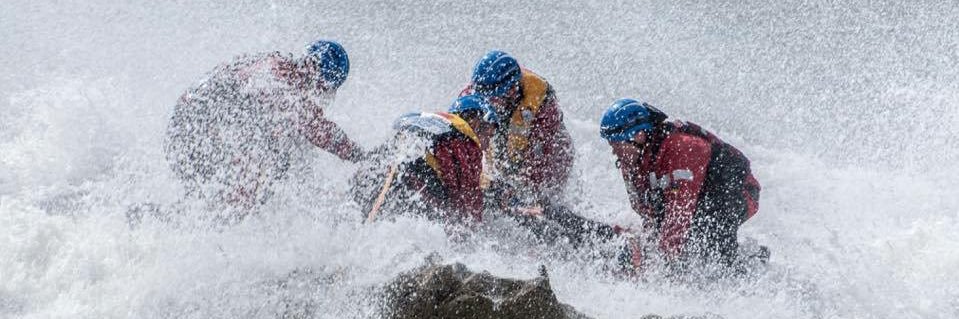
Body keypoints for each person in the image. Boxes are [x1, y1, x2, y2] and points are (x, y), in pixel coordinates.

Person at [165, 40, 364, 211]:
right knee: (254, 184)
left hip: (183, 133)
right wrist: (360, 156)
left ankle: (196, 219)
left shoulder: (271, 64)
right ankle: (222, 224)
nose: (321, 93)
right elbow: (316, 128)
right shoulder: (278, 76)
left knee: (279, 158)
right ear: (314, 73)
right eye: (324, 87)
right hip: (191, 137)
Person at [599, 98, 763, 274]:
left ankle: (735, 271)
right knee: (671, 236)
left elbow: (681, 210)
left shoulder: (683, 147)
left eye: (617, 144)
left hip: (738, 192)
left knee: (708, 226)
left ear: (638, 135)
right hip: (695, 197)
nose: (614, 151)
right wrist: (647, 248)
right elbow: (647, 210)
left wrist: (661, 266)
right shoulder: (631, 161)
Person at [458, 50, 574, 214]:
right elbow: (460, 142)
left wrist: (524, 202)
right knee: (496, 184)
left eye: (491, 97)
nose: (484, 102)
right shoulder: (473, 96)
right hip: (510, 140)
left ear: (511, 90)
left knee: (541, 203)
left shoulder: (543, 105)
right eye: (481, 95)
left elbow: (539, 162)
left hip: (550, 151)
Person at [350, 97, 497, 224]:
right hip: (413, 181)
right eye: (488, 137)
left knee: (354, 221)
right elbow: (466, 196)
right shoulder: (464, 140)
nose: (485, 146)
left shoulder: (428, 120)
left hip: (377, 170)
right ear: (476, 123)